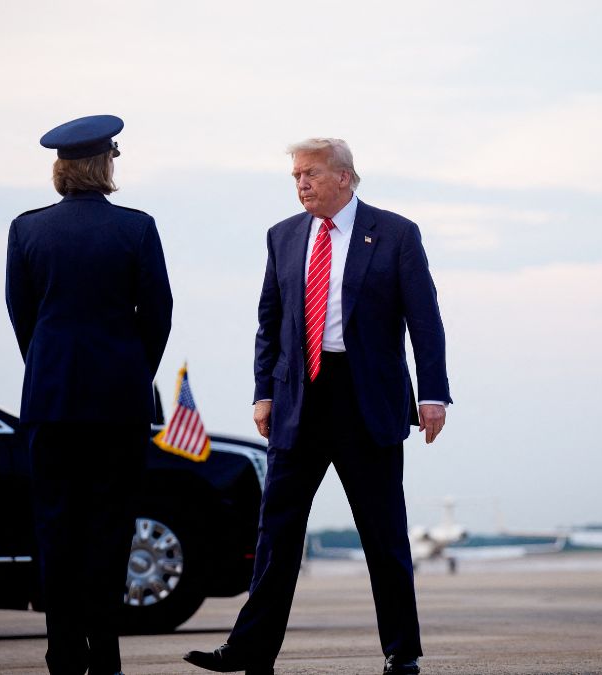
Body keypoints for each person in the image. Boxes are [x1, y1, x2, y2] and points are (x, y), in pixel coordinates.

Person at [185, 139, 450, 675]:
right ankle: (251, 650)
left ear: (344, 177)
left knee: (383, 533)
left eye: (310, 173)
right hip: (298, 398)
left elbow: (424, 319)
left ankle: (402, 650)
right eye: (296, 176)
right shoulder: (282, 235)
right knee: (276, 532)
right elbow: (269, 321)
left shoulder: (396, 233)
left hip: (365, 399)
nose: (301, 184)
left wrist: (433, 394)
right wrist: (263, 392)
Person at [6, 115, 173, 675]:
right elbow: (158, 313)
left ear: (61, 169)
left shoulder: (27, 229)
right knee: (110, 531)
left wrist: (48, 367)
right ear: (105, 165)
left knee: (56, 531)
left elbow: (22, 315)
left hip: (50, 401)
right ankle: (105, 658)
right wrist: (132, 371)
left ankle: (62, 654)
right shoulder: (136, 228)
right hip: (117, 405)